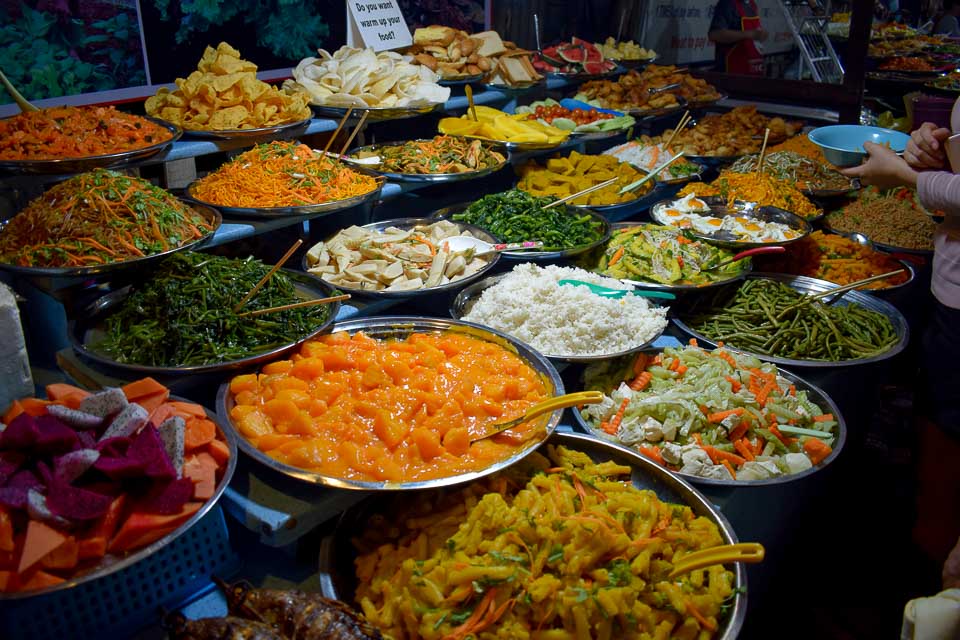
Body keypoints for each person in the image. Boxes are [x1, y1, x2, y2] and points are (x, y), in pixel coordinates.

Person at [842, 114, 960, 570]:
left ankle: (933, 565)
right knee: (936, 420)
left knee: (949, 431)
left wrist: (908, 176)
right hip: (949, 281)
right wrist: (935, 146)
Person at [708, 0, 767, 75]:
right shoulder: (727, 4)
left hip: (753, 69)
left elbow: (754, 35)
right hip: (733, 74)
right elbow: (714, 34)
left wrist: (761, 35)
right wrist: (749, 34)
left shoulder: (752, 5)